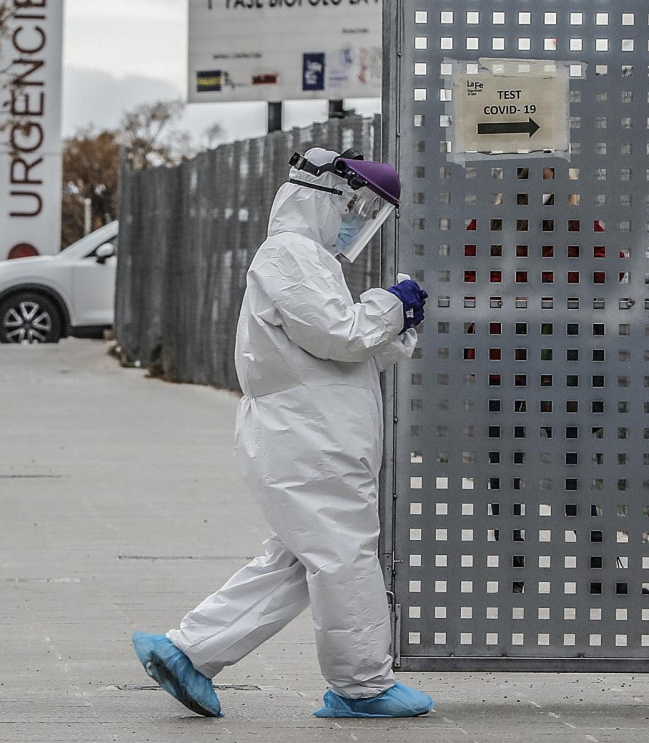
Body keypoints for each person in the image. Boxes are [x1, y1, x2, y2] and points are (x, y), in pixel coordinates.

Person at [132, 146, 434, 720]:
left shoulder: (308, 260)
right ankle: (362, 686)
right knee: (343, 557)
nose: (358, 220)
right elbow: (340, 335)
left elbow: (344, 352)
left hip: (312, 440)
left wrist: (397, 327)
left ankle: (188, 652)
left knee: (295, 562)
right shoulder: (291, 255)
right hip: (309, 442)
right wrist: (390, 306)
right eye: (357, 205)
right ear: (325, 197)